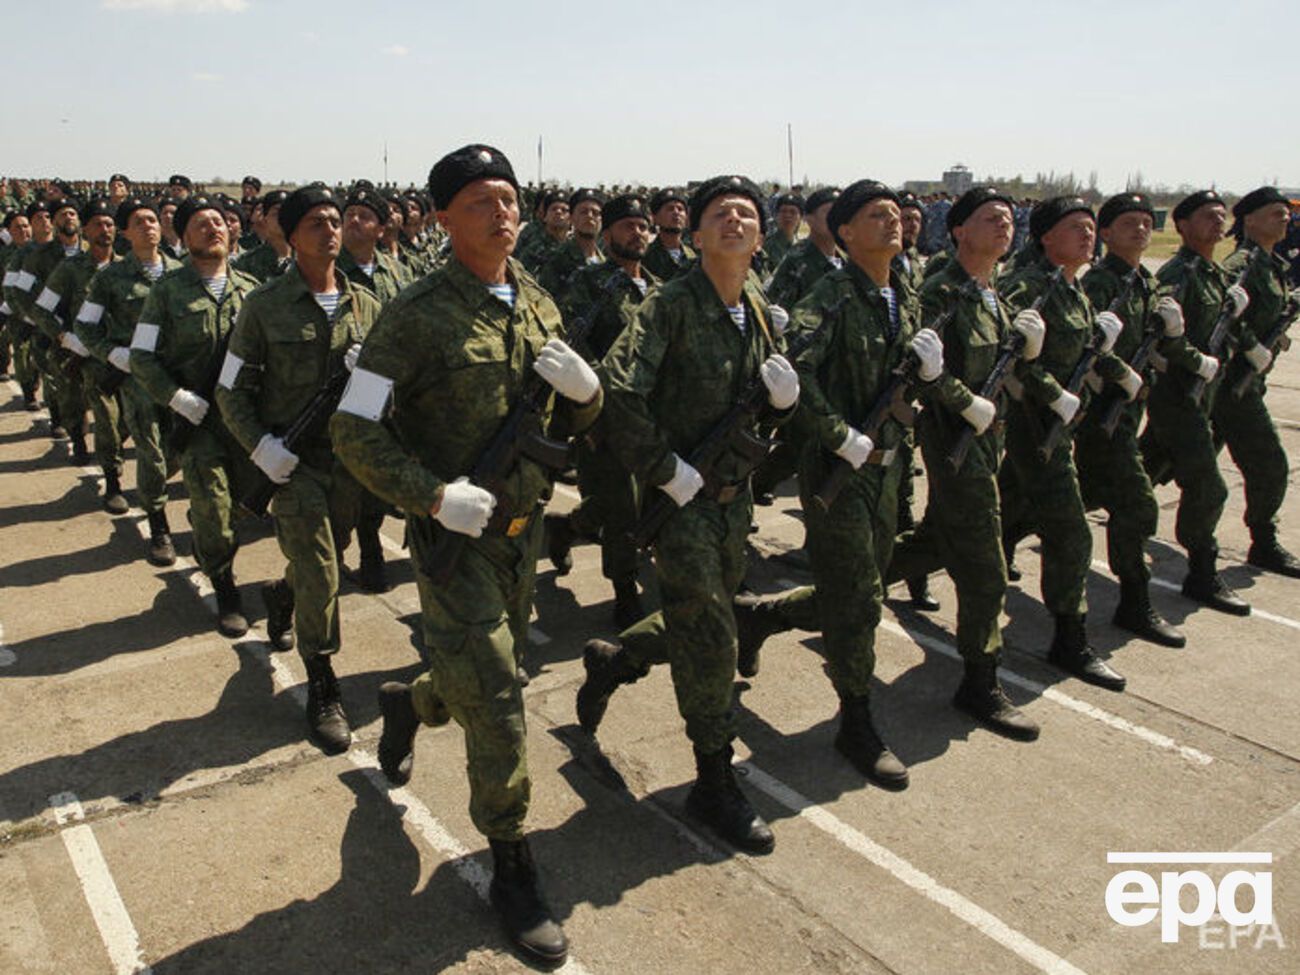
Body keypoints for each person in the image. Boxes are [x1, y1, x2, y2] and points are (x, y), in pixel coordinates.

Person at [332, 145, 602, 964]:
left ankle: (413, 700)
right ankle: (512, 861)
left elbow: (569, 425)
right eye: (481, 201)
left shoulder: (543, 304)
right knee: (498, 694)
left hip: (526, 539)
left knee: (474, 678)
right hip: (456, 542)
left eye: (510, 197)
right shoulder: (412, 314)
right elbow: (352, 427)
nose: (503, 212)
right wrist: (431, 495)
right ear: (444, 218)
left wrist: (591, 399)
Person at [575, 175, 796, 853]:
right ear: (694, 234)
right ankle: (713, 777)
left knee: (707, 615)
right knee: (712, 641)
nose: (736, 221)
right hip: (684, 504)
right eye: (719, 214)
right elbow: (618, 389)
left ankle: (617, 658)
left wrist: (781, 407)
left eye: (748, 214)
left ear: (762, 234)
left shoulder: (756, 305)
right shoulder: (668, 306)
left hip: (735, 503)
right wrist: (664, 467)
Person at [218, 185, 380, 752]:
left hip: (348, 464)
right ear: (290, 235)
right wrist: (261, 447)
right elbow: (230, 390)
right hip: (293, 465)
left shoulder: (367, 306)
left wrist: (371, 382)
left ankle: (282, 598)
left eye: (335, 220)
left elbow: (387, 396)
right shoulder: (262, 306)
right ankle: (323, 681)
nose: (330, 230)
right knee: (321, 571)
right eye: (315, 222)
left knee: (328, 558)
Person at [884, 186, 1045, 740]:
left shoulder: (992, 293)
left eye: (1007, 218)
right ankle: (981, 681)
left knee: (927, 547)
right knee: (984, 571)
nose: (1004, 225)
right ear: (957, 231)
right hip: (953, 446)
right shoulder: (942, 293)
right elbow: (922, 369)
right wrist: (964, 401)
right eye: (989, 218)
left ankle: (788, 611)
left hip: (986, 444)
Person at [998, 197, 1137, 691]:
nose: (1087, 235)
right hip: (1034, 426)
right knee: (1072, 532)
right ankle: (1068, 637)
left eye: (1090, 227)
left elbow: (1083, 354)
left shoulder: (1074, 289)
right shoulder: (1030, 286)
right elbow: (1010, 356)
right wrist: (1051, 393)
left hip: (1060, 424)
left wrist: (1123, 370)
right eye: (1075, 227)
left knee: (977, 528)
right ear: (1045, 238)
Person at [131, 195, 261, 635]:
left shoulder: (252, 290)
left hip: (245, 420)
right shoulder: (165, 292)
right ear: (183, 237)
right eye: (201, 224)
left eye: (220, 222)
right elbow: (142, 356)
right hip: (199, 422)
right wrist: (176, 397)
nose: (214, 228)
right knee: (215, 511)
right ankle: (225, 587)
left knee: (242, 504)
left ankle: (208, 535)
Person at [1077, 193, 1189, 646]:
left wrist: (1177, 339)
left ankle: (1011, 530)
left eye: (1146, 222)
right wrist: (1113, 372)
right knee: (1138, 506)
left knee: (1061, 497)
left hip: (1130, 411)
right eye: (1129, 223)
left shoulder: (1147, 282)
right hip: (1102, 412)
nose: (1141, 229)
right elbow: (1083, 346)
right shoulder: (1101, 284)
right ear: (1106, 233)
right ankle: (1135, 603)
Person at [545, 193, 660, 627]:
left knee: (632, 503)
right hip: (606, 416)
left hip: (652, 418)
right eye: (627, 225)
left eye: (642, 225)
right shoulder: (589, 285)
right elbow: (575, 346)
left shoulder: (660, 292)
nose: (638, 233)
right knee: (621, 509)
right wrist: (593, 409)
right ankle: (625, 588)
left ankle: (567, 528)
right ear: (608, 233)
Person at [1139, 190, 1252, 615]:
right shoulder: (1179, 274)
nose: (1217, 223)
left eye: (1221, 216)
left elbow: (1220, 332)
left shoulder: (1215, 274)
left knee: (1134, 473)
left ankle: (1028, 517)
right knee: (1208, 485)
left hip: (1205, 395)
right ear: (1183, 226)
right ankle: (1202, 571)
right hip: (1178, 397)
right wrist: (1193, 359)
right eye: (1207, 216)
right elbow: (1161, 336)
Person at [77, 197, 185, 558]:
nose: (148, 226)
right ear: (125, 232)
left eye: (152, 220)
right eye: (138, 221)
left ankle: (152, 493)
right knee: (150, 451)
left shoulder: (181, 271)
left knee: (178, 453)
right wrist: (113, 353)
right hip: (137, 378)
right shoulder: (109, 277)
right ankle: (159, 526)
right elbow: (85, 325)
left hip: (177, 376)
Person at [1213, 186, 1300, 576]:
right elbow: (1221, 317)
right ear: (1249, 220)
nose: (1284, 218)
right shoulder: (1242, 266)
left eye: (1286, 213)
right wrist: (1251, 347)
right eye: (1275, 213)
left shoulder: (1272, 264)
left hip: (1247, 384)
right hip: (1232, 385)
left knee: (1165, 461)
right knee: (1270, 465)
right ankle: (1262, 542)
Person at [767, 186, 842, 309]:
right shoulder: (797, 262)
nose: (838, 218)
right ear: (809, 218)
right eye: (830, 213)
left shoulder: (849, 260)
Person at [537, 188, 604, 303]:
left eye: (596, 213)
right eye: (583, 212)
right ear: (572, 218)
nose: (590, 216)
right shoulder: (557, 260)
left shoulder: (606, 262)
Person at [641, 187, 695, 280]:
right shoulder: (644, 257)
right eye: (670, 209)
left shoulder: (693, 256)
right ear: (655, 218)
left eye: (680, 209)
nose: (676, 213)